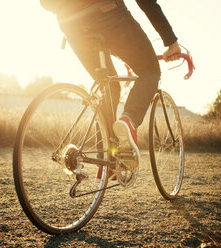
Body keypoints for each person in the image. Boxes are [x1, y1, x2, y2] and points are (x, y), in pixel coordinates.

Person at [40, 0, 181, 170]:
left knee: (109, 87)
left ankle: (107, 164)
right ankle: (129, 120)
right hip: (108, 14)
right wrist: (170, 41)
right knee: (149, 70)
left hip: (70, 26)